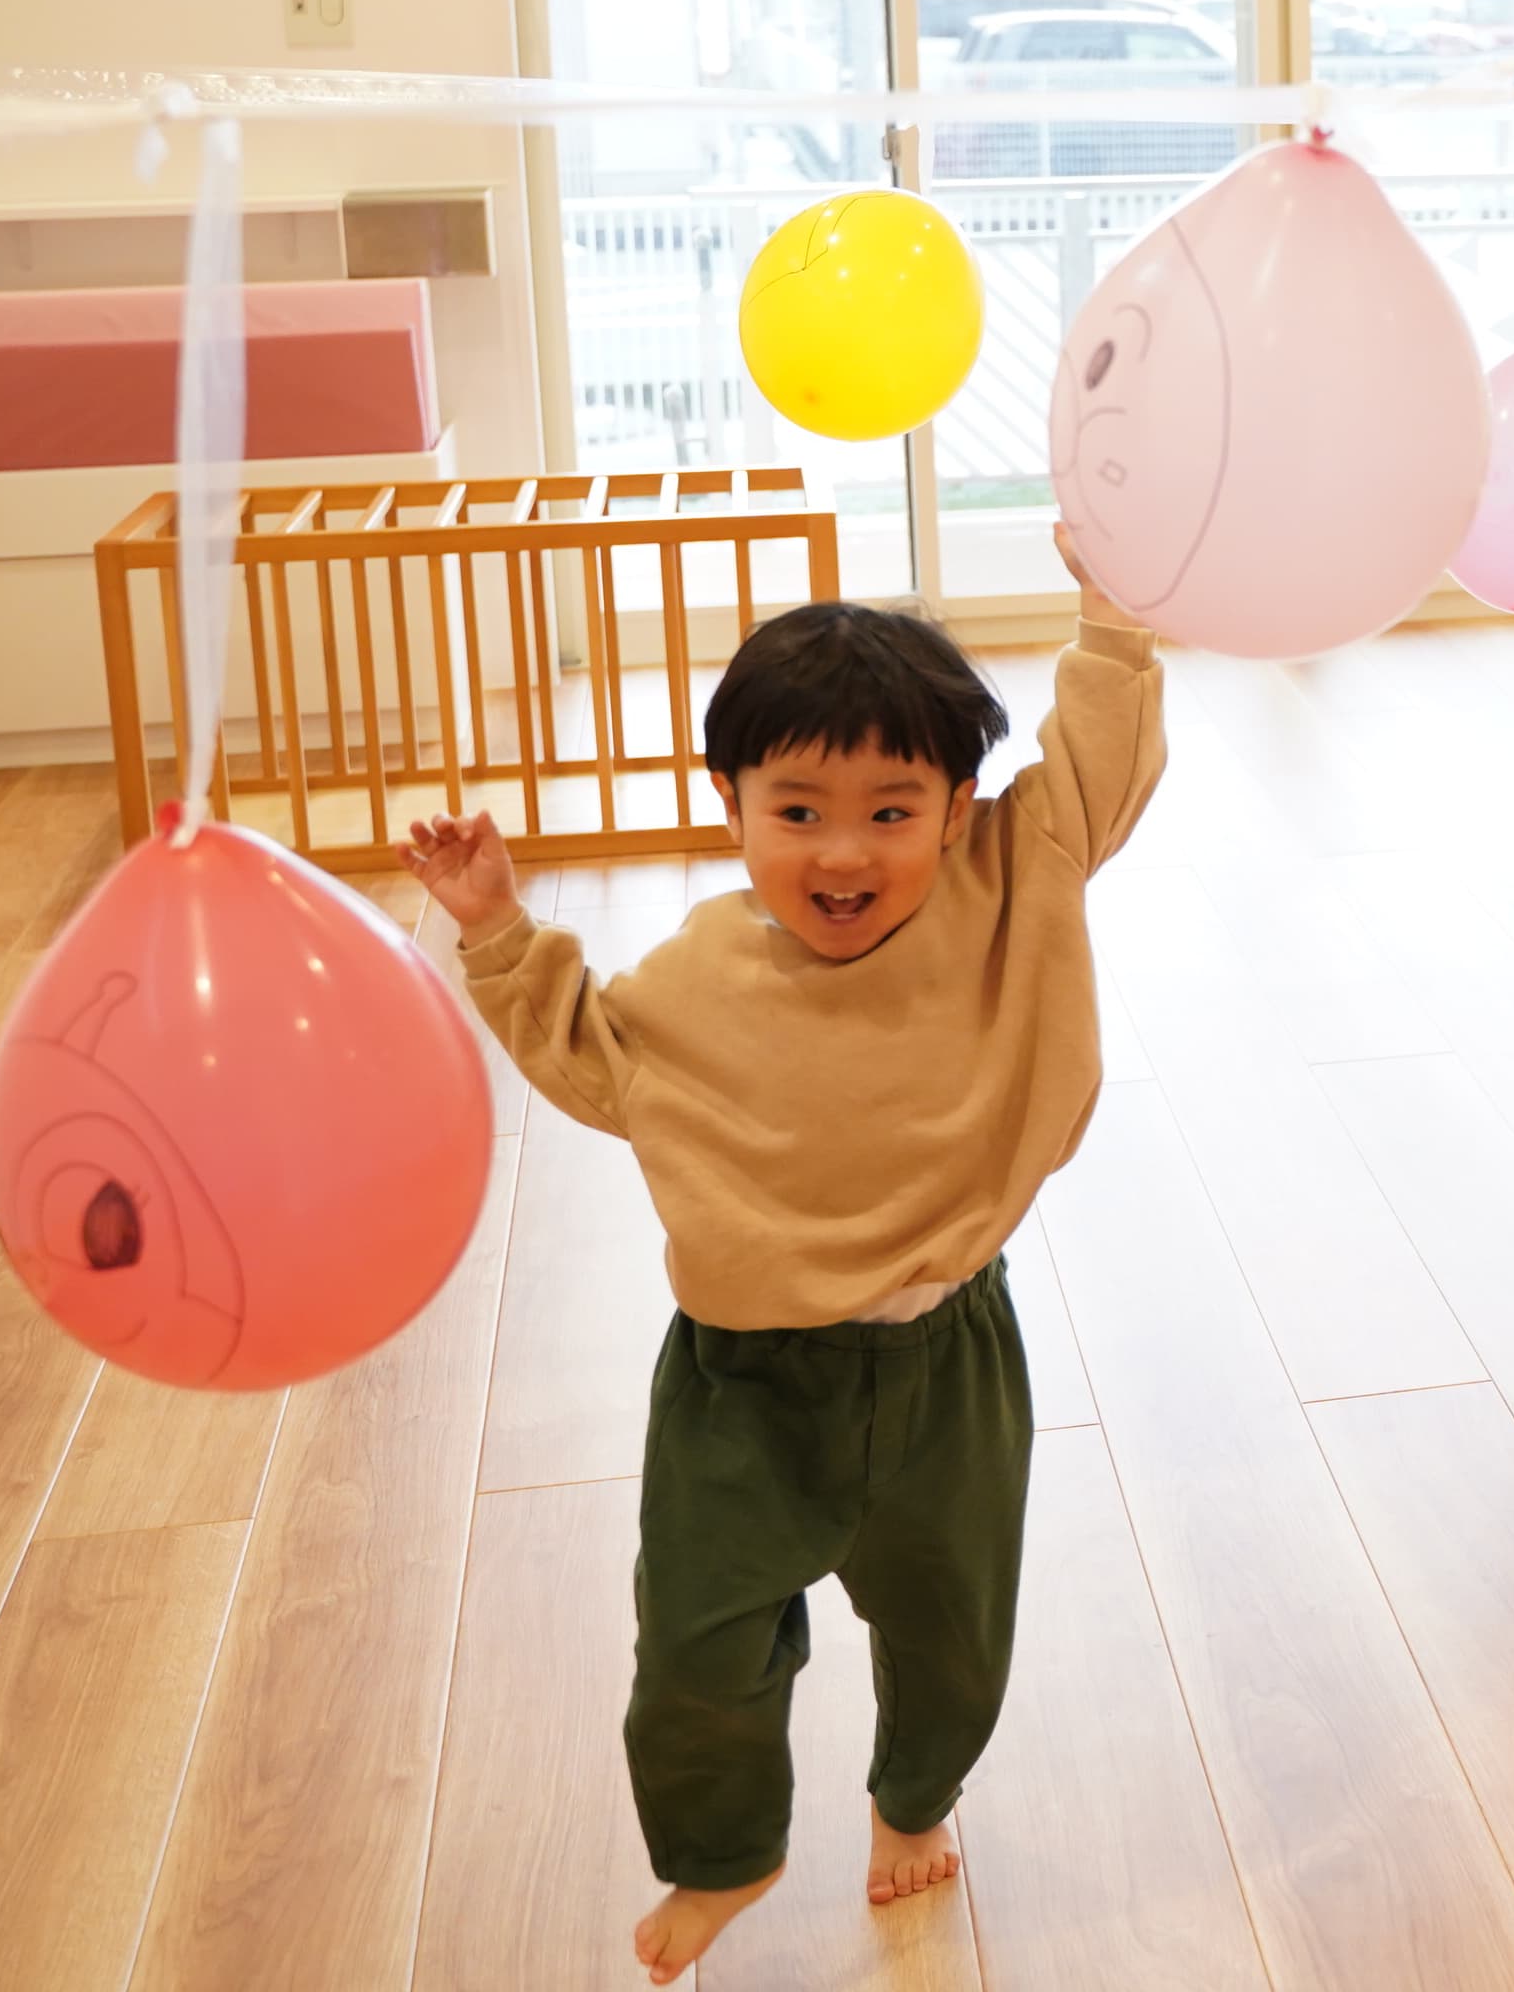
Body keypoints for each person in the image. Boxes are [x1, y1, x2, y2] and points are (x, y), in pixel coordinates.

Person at [402, 531, 1162, 1983]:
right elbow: (590, 1052)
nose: (842, 851)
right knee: (695, 1638)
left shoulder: (1014, 879)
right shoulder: (697, 977)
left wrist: (1112, 616)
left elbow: (1096, 764)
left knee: (952, 1631)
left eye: (893, 810)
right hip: (743, 1385)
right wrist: (495, 924)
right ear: (732, 804)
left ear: (957, 812)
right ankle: (723, 1851)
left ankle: (915, 1796)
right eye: (796, 809)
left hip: (947, 1362)